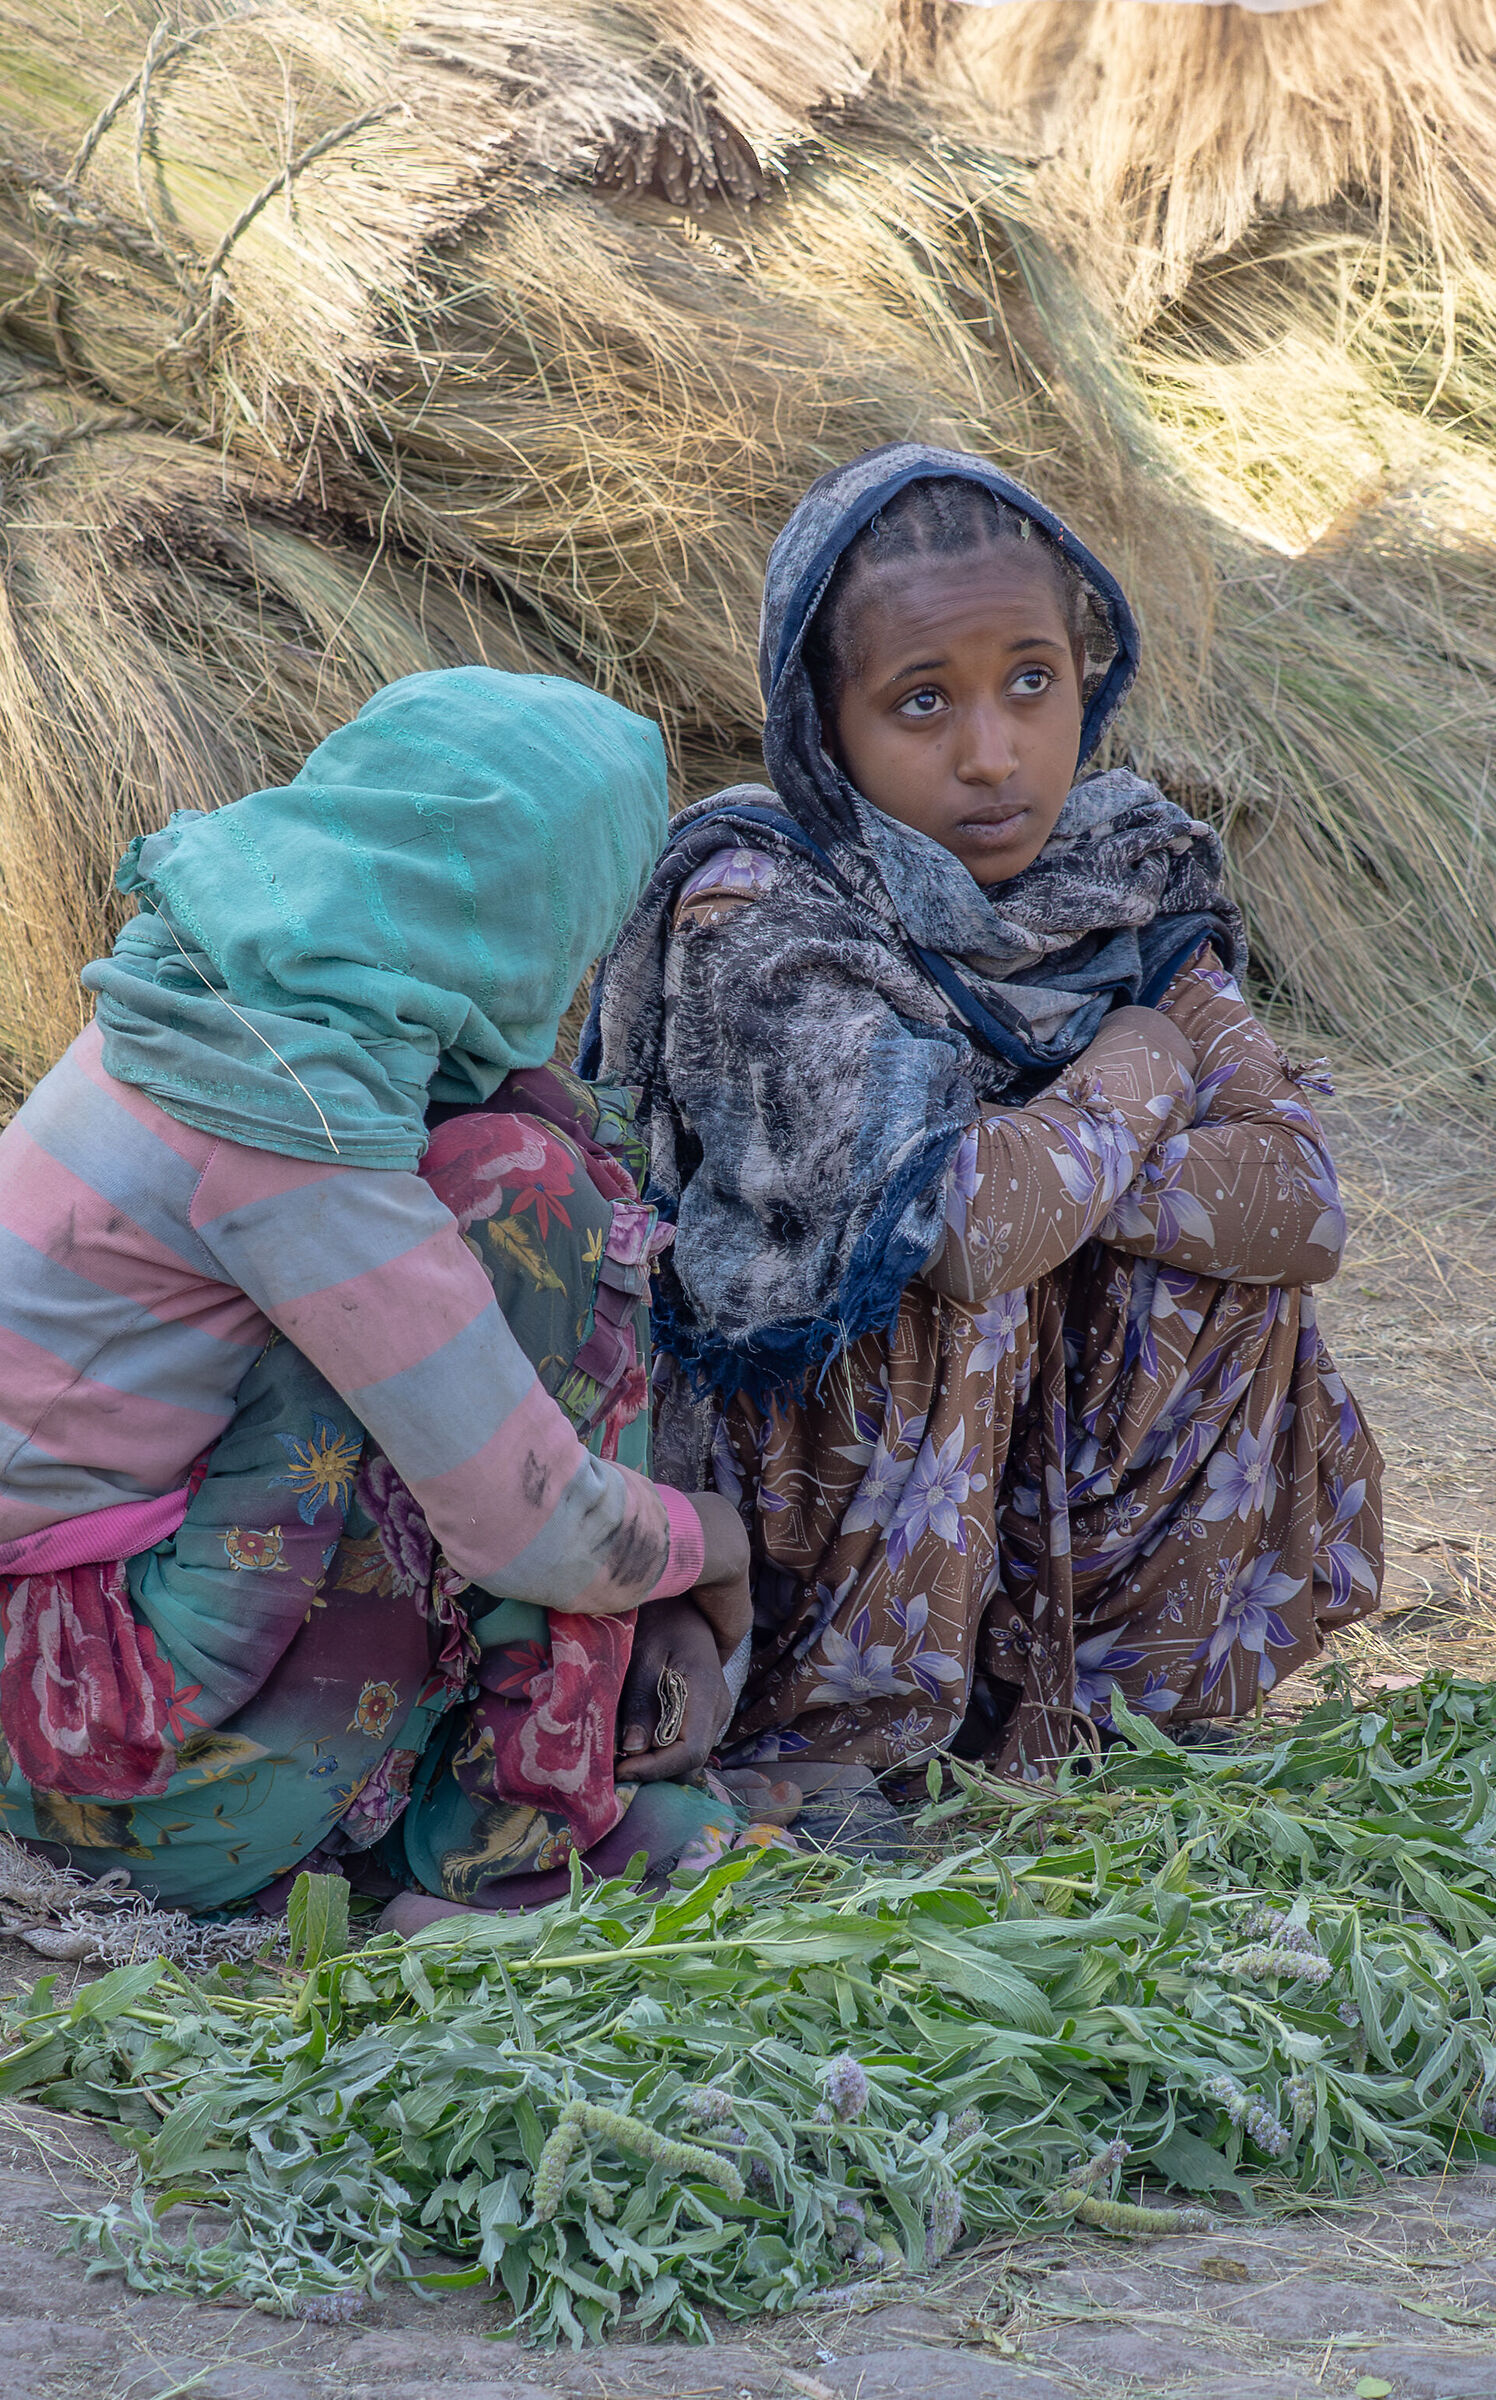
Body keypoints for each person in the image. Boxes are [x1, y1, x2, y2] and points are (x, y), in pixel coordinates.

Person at [0, 667, 754, 1922]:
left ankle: (444, 1778)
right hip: (85, 1751)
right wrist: (715, 1543)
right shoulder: (295, 1120)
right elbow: (529, 1528)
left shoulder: (231, 991)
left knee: (519, 1147)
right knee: (527, 1193)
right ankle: (510, 1838)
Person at [593, 446, 1383, 1791]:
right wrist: (1131, 1070)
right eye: (920, 703)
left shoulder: (1120, 875)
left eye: (1033, 682)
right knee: (942, 1276)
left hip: (1039, 1461)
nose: (992, 754)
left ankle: (1115, 1705)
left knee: (1191, 1266)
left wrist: (1056, 1177)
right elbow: (959, 1230)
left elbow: (1304, 1205)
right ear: (821, 726)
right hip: (800, 1514)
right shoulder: (764, 912)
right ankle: (850, 1739)